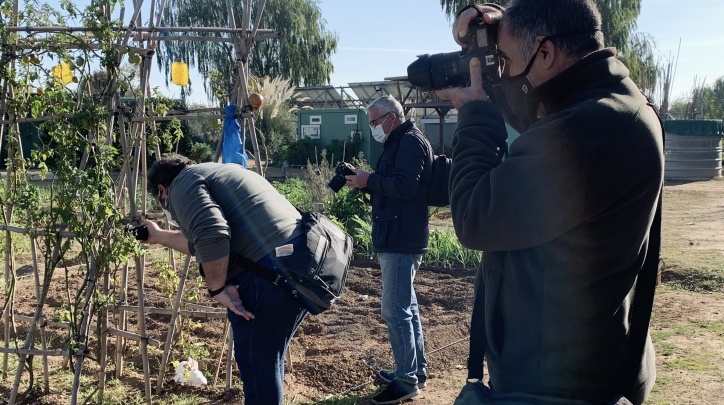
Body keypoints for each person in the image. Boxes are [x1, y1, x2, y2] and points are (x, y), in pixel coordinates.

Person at [435, 1, 664, 404]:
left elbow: (474, 217)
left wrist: (474, 117)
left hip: (554, 380)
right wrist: (488, 37)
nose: (503, 74)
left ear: (545, 51)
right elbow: (540, 115)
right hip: (575, 361)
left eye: (504, 61)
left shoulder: (589, 129)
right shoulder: (611, 105)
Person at [140, 154, 308, 405]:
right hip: (298, 265)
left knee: (256, 365)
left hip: (269, 277)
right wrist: (159, 235)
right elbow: (200, 239)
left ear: (162, 191)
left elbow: (212, 234)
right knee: (265, 361)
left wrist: (216, 288)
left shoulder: (182, 185)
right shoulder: (215, 173)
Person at [344, 95, 432, 404]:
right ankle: (415, 370)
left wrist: (371, 179)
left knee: (394, 310)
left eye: (374, 121)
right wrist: (366, 181)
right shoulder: (398, 141)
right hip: (396, 233)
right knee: (406, 307)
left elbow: (406, 187)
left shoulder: (410, 142)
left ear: (392, 117)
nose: (372, 127)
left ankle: (406, 381)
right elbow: (393, 184)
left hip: (401, 238)